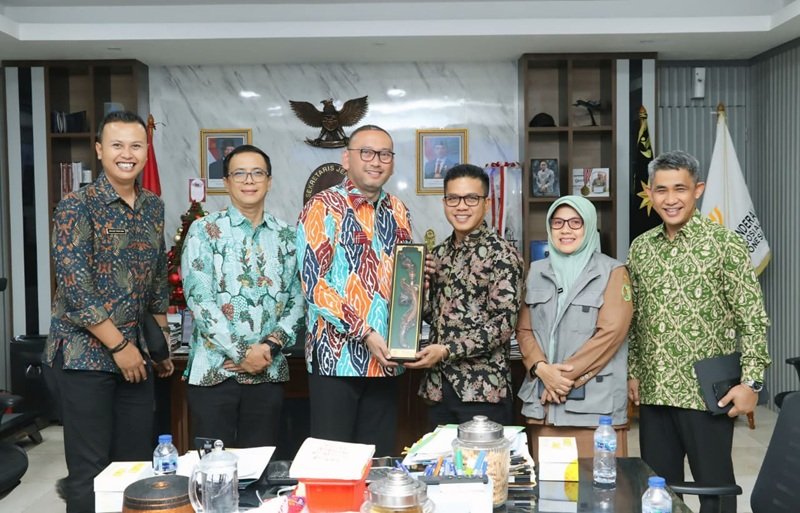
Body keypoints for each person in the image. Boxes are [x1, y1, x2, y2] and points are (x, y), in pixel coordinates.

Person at [627, 150, 770, 513]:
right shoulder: (641, 249)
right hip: (656, 392)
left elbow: (752, 318)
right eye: (661, 190)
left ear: (698, 190)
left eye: (680, 189)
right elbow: (635, 319)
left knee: (715, 491)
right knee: (658, 492)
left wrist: (751, 382)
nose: (670, 199)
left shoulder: (725, 244)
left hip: (707, 396)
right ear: (649, 193)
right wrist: (634, 371)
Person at [44, 110, 173, 513]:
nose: (126, 154)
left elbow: (157, 278)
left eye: (135, 146)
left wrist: (160, 344)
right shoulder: (76, 206)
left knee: (133, 466)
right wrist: (119, 347)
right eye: (117, 145)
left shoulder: (152, 206)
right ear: (99, 150)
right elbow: (75, 289)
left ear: (146, 151)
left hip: (135, 358)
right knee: (90, 472)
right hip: (84, 358)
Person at [296, 124, 413, 456]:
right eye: (367, 153)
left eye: (385, 154)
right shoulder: (322, 206)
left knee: (378, 462)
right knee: (334, 465)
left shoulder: (399, 210)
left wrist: (418, 276)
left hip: (387, 361)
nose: (376, 161)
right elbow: (314, 284)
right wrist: (365, 333)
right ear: (346, 159)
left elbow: (404, 277)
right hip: (337, 362)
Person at [181, 144, 305, 448]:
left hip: (267, 372)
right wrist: (241, 353)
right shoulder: (203, 230)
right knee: (213, 469)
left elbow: (299, 298)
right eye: (240, 173)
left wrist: (268, 347)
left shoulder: (288, 236)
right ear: (226, 182)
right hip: (215, 372)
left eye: (257, 173)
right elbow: (199, 299)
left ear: (269, 181)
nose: (249, 180)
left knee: (261, 465)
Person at [405, 164, 523, 428]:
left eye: (471, 198)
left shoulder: (502, 255)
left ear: (486, 203)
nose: (461, 206)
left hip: (482, 391)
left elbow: (503, 325)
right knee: (437, 456)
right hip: (437, 388)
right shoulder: (439, 254)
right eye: (453, 198)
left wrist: (447, 350)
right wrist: (419, 286)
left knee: (483, 457)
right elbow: (433, 316)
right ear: (444, 202)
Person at [515, 195, 632, 458]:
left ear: (589, 227)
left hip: (595, 408)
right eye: (557, 223)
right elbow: (524, 330)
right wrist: (542, 369)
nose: (565, 230)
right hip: (544, 406)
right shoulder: (536, 271)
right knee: (547, 482)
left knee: (600, 482)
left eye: (575, 222)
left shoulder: (613, 271)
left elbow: (610, 335)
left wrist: (560, 379)